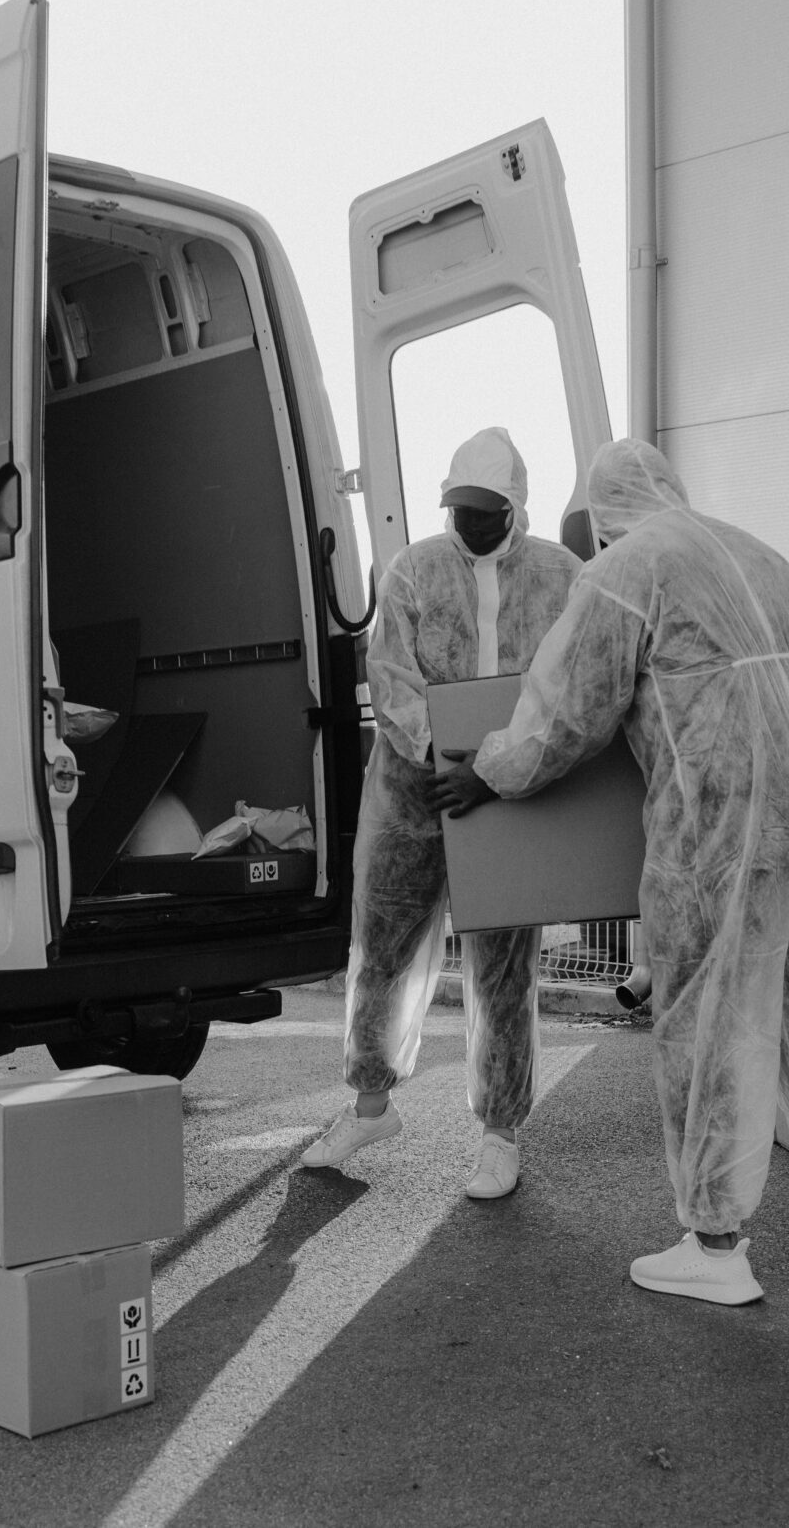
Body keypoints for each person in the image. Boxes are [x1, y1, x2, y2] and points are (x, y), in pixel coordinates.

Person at [429, 438, 789, 1304]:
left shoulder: (628, 568)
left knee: (708, 1012)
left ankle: (716, 1241)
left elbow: (567, 708)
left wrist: (488, 769)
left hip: (728, 802)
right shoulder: (758, 554)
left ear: (606, 515)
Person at [301, 428, 584, 1199]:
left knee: (502, 965)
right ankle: (368, 1102)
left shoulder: (562, 576)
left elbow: (569, 686)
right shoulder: (415, 569)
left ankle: (500, 1131)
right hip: (414, 789)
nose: (469, 521)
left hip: (508, 794)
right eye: (459, 506)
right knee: (385, 940)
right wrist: (442, 754)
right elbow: (391, 675)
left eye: (485, 510)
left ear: (514, 507)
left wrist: (494, 771)